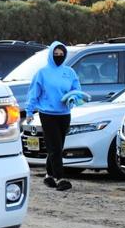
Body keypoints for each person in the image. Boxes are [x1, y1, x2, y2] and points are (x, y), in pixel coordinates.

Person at [24, 41, 82, 191]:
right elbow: (33, 93)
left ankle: (49, 175)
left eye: (61, 54)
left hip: (64, 114)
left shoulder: (69, 72)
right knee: (55, 146)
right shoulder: (42, 73)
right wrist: (29, 111)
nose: (58, 56)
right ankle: (60, 178)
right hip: (47, 114)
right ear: (51, 54)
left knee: (57, 146)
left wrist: (73, 98)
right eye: (56, 54)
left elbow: (76, 89)